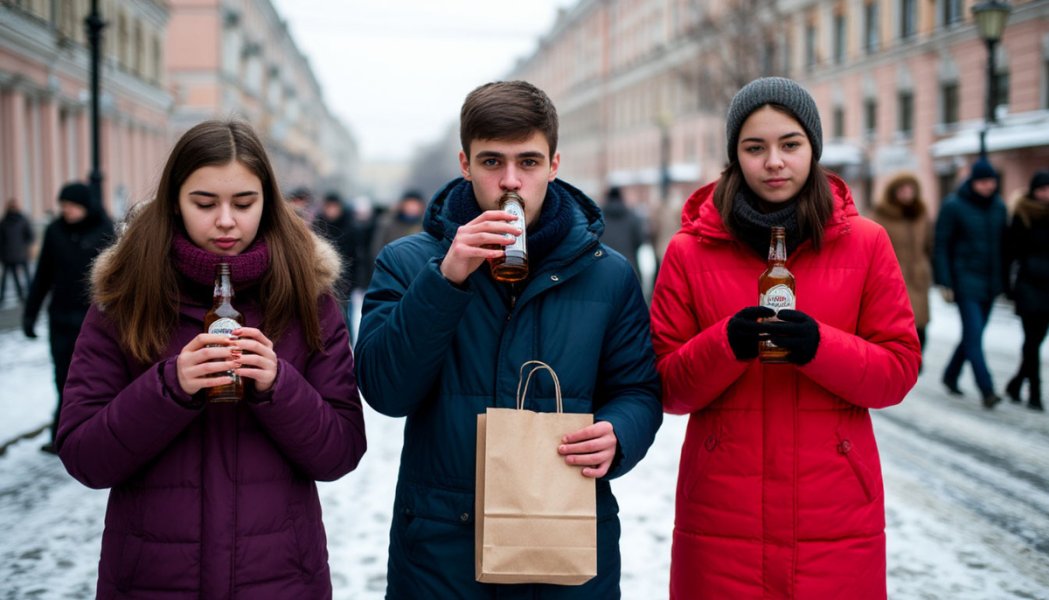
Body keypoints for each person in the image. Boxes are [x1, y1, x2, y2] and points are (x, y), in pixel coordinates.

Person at [354, 80, 663, 598]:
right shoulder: (410, 263)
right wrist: (446, 279)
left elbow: (638, 390)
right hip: (439, 551)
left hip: (564, 544)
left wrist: (619, 432)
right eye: (492, 162)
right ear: (465, 163)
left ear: (555, 164)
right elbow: (386, 392)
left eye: (529, 162)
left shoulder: (607, 274)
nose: (511, 182)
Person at [55, 120, 367, 598]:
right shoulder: (126, 297)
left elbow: (341, 451)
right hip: (152, 580)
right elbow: (83, 456)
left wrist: (279, 385)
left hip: (280, 579)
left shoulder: (307, 296)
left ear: (267, 204)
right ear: (174, 203)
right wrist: (167, 388)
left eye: (244, 204)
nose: (226, 221)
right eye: (204, 203)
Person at [650, 77, 921, 599]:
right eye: (755, 147)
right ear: (736, 156)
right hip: (721, 518)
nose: (774, 161)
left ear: (812, 149)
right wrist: (725, 344)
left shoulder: (867, 243)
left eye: (790, 144)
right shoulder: (689, 252)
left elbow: (897, 371)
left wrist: (821, 347)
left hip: (836, 516)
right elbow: (666, 387)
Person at [23, 182, 114, 453]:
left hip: (96, 319)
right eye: (63, 207)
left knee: (95, 377)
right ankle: (62, 435)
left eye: (72, 206)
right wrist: (30, 314)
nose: (68, 212)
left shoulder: (104, 230)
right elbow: (42, 276)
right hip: (61, 318)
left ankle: (95, 433)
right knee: (62, 376)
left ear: (85, 206)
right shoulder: (55, 231)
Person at [933, 156, 1009, 408]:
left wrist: (1005, 282)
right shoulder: (954, 205)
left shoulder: (998, 207)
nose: (989, 186)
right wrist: (944, 281)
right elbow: (941, 245)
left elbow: (1004, 249)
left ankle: (950, 374)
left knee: (971, 335)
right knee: (974, 336)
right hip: (965, 281)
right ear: (974, 181)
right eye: (984, 181)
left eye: (992, 182)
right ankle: (987, 390)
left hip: (990, 282)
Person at [871, 172, 933, 356]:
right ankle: (903, 362)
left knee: (921, 326)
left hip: (918, 278)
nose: (907, 193)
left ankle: (915, 360)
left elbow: (929, 244)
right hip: (893, 278)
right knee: (898, 325)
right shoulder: (881, 215)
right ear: (893, 193)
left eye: (910, 190)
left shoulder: (921, 214)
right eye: (902, 190)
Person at [1004, 170, 1049, 411]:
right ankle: (1035, 392)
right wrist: (1009, 288)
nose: (1046, 194)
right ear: (1033, 190)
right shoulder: (1022, 215)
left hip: (1047, 288)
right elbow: (1010, 253)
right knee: (1031, 340)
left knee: (1038, 339)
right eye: (1042, 189)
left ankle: (1016, 382)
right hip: (1029, 285)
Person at [314, 191, 358, 333]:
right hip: (321, 279)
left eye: (335, 207)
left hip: (345, 280)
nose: (332, 211)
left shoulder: (350, 227)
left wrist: (354, 281)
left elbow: (356, 257)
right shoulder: (318, 224)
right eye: (329, 207)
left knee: (345, 316)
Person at [600, 185, 647, 279]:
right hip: (629, 265)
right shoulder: (632, 217)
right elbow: (640, 240)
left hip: (604, 267)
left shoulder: (599, 219)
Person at [369, 189, 425, 260]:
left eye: (416, 205)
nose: (412, 208)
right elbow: (377, 248)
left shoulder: (424, 226)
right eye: (409, 204)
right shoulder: (387, 223)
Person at [0, 197, 34, 303]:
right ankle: (27, 294)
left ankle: (8, 296)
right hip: (20, 252)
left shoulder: (4, 222)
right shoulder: (22, 220)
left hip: (8, 254)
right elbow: (29, 236)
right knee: (24, 274)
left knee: (10, 276)